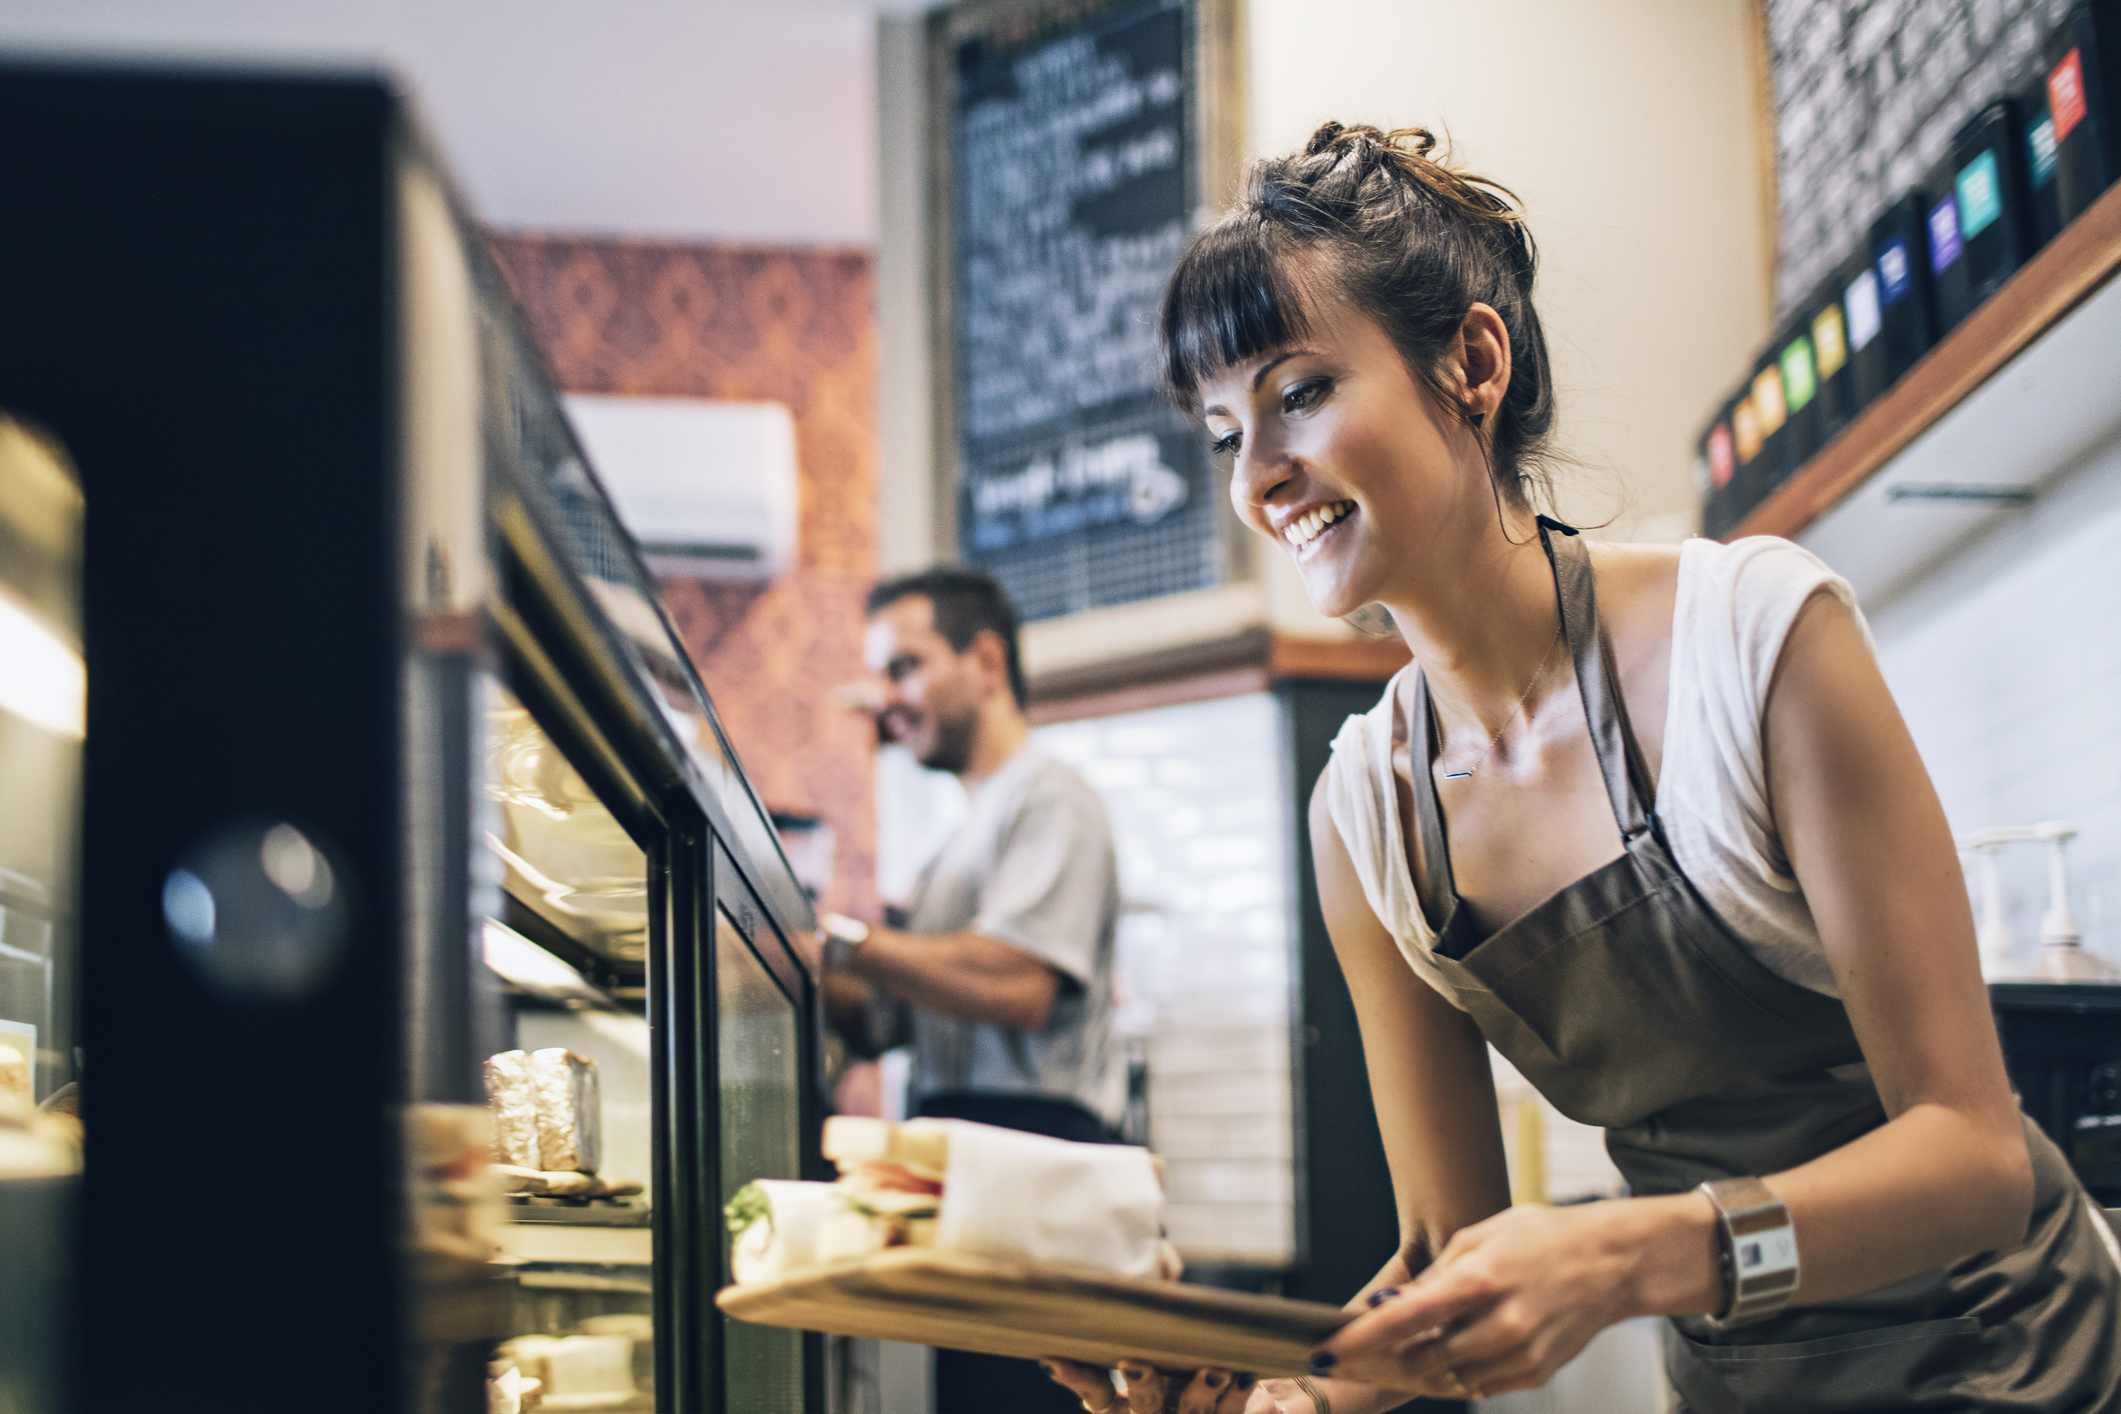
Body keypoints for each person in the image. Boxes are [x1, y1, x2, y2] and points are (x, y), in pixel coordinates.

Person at [1046, 123, 2121, 1414]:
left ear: (1472, 361)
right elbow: (1443, 1257)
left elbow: (1975, 1159)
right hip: (1738, 1380)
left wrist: (1630, 1252)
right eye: (1223, 433)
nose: (1261, 477)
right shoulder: (1368, 814)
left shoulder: (1754, 641)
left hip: (2014, 1356)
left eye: (1299, 392)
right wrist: (1285, 1390)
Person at [818, 566, 1122, 1413]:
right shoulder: (954, 843)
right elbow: (883, 1020)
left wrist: (846, 942)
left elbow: (1018, 983)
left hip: (1036, 1167)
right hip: (965, 1163)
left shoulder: (1049, 797)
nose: (886, 699)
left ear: (986, 662)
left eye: (903, 668)